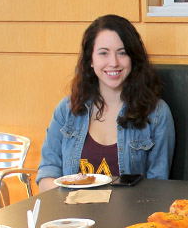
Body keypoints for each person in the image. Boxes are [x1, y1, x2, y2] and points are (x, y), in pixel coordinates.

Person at [37, 15, 175, 192]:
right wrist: (72, 202)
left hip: (130, 217)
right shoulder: (67, 109)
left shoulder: (156, 114)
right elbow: (47, 174)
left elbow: (158, 187)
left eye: (122, 53)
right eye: (103, 53)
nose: (114, 62)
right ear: (90, 60)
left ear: (133, 58)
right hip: (73, 216)